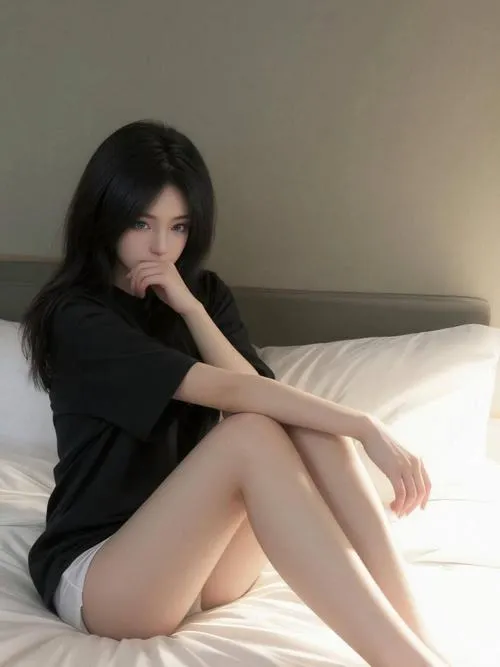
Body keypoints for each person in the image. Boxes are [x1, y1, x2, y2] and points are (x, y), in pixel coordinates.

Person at [21, 119, 450, 667]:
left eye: (178, 227)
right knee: (250, 435)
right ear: (104, 215)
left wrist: (191, 309)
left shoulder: (201, 293)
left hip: (203, 565)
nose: (160, 246)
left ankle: (422, 645)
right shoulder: (76, 317)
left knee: (309, 429)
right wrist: (366, 425)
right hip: (109, 578)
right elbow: (227, 391)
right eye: (141, 222)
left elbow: (256, 391)